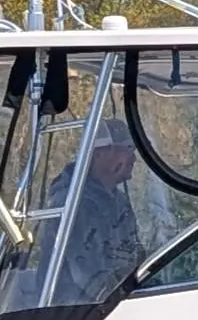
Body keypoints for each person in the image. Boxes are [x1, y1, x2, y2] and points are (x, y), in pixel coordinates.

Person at [48, 126, 150, 305]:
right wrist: (126, 302)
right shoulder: (72, 203)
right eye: (127, 149)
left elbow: (134, 252)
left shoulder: (119, 202)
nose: (134, 158)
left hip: (114, 303)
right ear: (99, 154)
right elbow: (88, 276)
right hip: (75, 312)